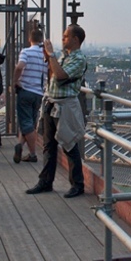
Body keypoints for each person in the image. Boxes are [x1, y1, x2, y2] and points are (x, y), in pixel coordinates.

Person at [26, 24, 87, 198]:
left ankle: (77, 184)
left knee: (69, 144)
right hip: (52, 103)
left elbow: (60, 76)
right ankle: (45, 181)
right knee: (49, 146)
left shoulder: (79, 59)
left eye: (66, 36)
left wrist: (51, 55)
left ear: (75, 39)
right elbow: (53, 74)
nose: (63, 38)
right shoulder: (63, 56)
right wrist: (49, 57)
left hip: (65, 105)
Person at [13, 26, 45, 163]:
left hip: (25, 90)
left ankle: (32, 154)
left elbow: (20, 66)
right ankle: (20, 145)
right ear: (42, 39)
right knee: (30, 123)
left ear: (29, 39)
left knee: (26, 123)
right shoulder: (45, 54)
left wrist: (15, 81)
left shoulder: (26, 51)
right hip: (38, 92)